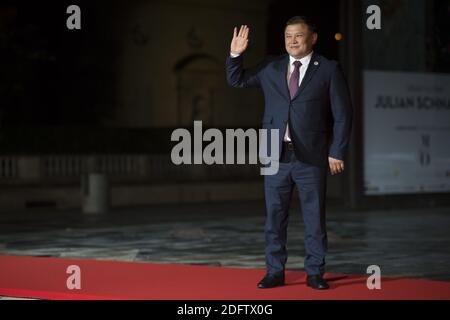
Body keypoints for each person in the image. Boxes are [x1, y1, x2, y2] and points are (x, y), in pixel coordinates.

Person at [226, 16, 353, 290]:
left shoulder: (328, 69)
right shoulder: (271, 66)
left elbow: (343, 115)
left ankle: (315, 273)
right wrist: (236, 53)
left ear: (313, 38)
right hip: (275, 156)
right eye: (287, 36)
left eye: (298, 35)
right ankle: (274, 272)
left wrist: (337, 151)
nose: (292, 41)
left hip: (312, 157)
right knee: (274, 216)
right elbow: (236, 80)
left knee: (314, 218)